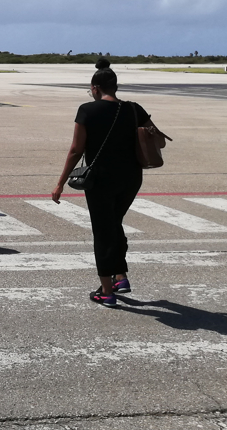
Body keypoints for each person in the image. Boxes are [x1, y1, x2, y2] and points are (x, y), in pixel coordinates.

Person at [52, 58, 153, 307]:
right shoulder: (133, 109)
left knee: (103, 231)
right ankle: (121, 277)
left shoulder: (87, 110)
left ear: (95, 88)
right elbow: (153, 135)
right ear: (115, 86)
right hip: (131, 178)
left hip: (101, 180)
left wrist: (60, 183)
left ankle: (106, 292)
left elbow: (76, 150)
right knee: (114, 224)